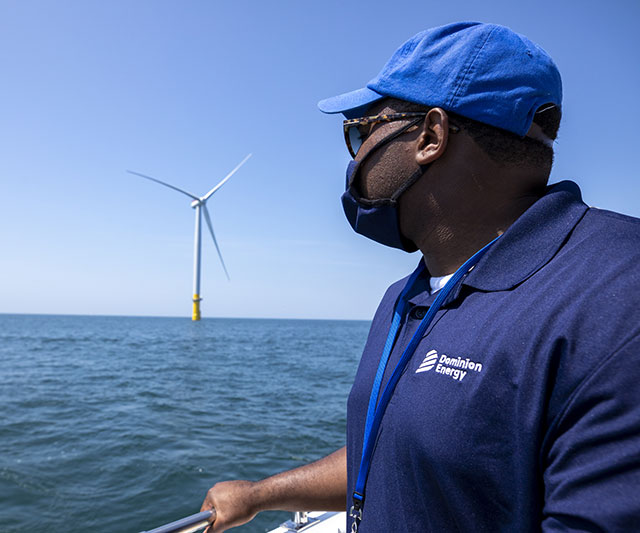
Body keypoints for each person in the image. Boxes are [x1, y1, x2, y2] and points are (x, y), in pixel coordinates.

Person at [200, 22, 640, 532]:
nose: (358, 156)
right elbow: (397, 448)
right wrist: (260, 495)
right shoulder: (407, 294)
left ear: (431, 136)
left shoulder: (617, 295)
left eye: (361, 132)